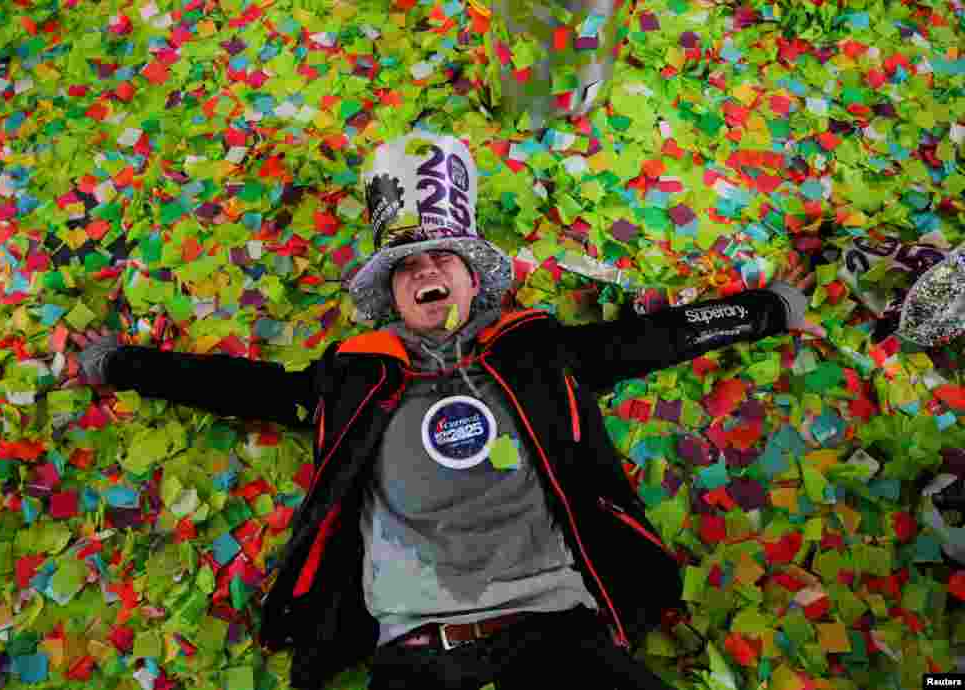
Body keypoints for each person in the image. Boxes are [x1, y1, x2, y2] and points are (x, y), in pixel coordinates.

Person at [63, 132, 815, 690]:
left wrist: (771, 308)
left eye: (442, 258)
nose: (424, 268)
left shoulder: (539, 352)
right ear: (390, 298)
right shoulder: (348, 381)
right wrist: (114, 363)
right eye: (405, 266)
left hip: (561, 634)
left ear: (472, 283)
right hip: (415, 654)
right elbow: (233, 386)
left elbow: (660, 336)